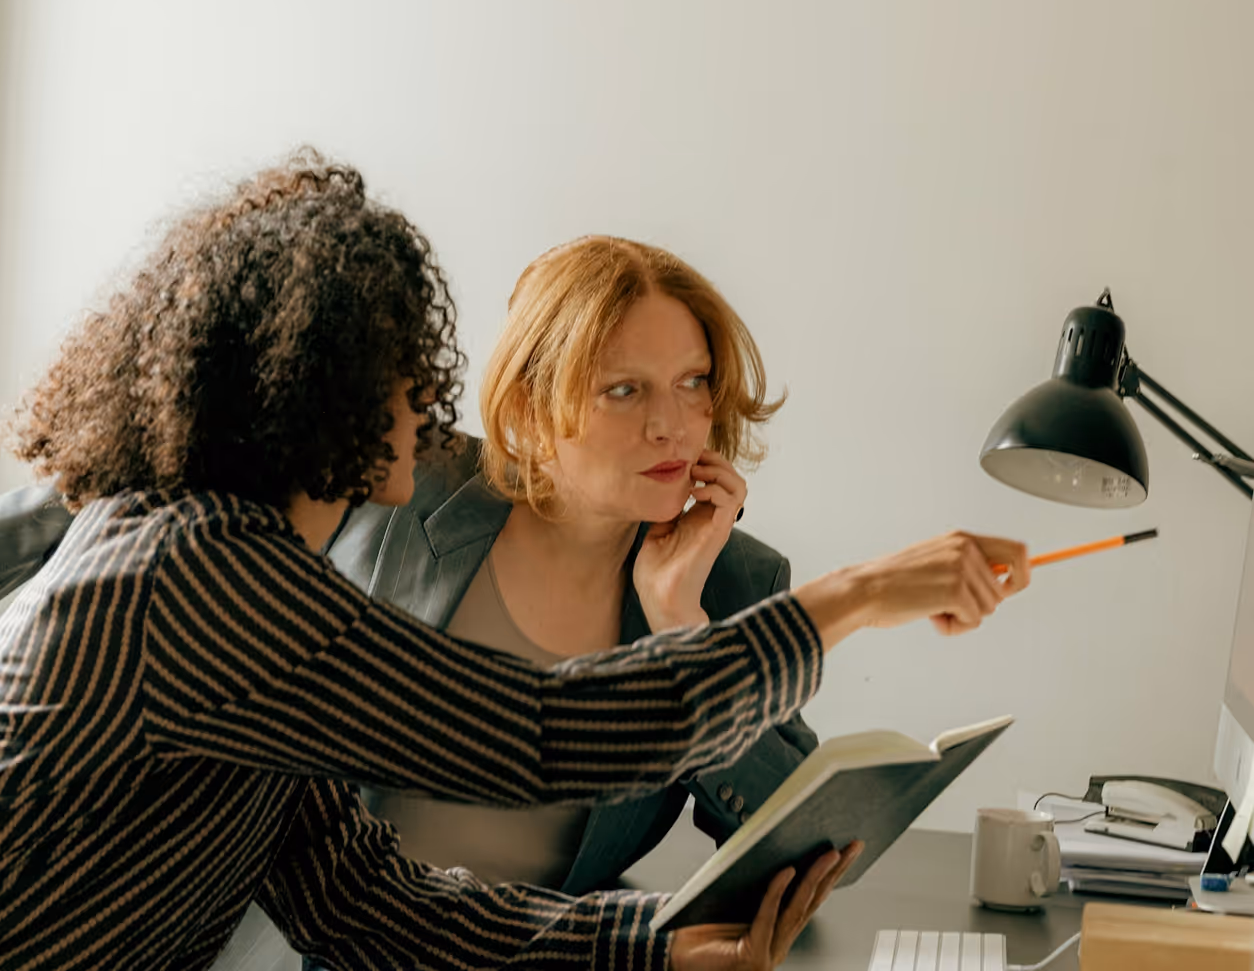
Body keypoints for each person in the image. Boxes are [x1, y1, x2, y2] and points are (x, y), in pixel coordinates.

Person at [0, 152, 1030, 971]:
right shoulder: (201, 581)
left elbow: (358, 897)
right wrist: (858, 595)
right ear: (318, 391)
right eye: (406, 374)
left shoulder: (223, 580)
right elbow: (538, 731)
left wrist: (645, 951)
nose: (430, 400)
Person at [323, 235, 820, 905]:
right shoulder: (402, 484)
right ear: (529, 405)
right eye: (624, 390)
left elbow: (812, 846)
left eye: (693, 382)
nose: (671, 426)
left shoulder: (734, 582)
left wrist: (686, 637)